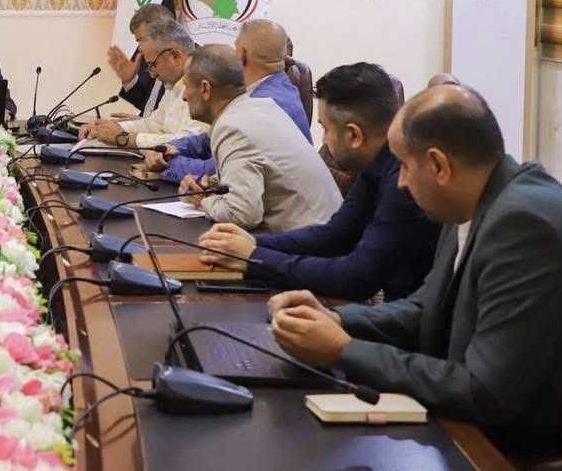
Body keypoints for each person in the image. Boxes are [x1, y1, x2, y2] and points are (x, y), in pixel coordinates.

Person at [268, 84, 562, 464]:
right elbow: (427, 308)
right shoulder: (478, 201)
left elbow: (483, 392)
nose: (399, 183)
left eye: (404, 167)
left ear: (439, 166)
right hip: (536, 422)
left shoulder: (525, 226)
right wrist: (338, 320)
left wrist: (344, 351)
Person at [197, 62, 438, 300]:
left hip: (403, 318)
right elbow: (335, 236)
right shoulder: (377, 162)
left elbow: (356, 278)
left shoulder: (404, 183)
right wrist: (252, 243)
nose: (324, 140)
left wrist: (254, 258)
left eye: (325, 128)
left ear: (354, 135)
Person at [177, 45, 340, 231]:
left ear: (205, 89)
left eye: (186, 86)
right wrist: (211, 184)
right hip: (328, 231)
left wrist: (203, 200)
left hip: (313, 241)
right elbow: (263, 174)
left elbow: (241, 214)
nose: (184, 96)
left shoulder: (233, 127)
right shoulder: (262, 107)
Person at [143, 18, 312, 183]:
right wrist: (170, 147)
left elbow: (218, 169)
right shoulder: (278, 86)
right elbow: (211, 138)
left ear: (242, 55)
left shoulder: (261, 105)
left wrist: (168, 163)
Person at [79, 17, 208, 148]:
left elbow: (188, 142)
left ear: (175, 56)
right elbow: (155, 124)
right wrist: (108, 128)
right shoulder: (173, 84)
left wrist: (122, 138)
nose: (152, 74)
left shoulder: (203, 84)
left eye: (153, 65)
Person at [105, 3, 172, 118]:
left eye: (142, 40)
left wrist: (141, 123)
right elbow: (149, 105)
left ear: (163, 33)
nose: (140, 48)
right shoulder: (156, 62)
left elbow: (178, 125)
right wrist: (130, 81)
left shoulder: (189, 67)